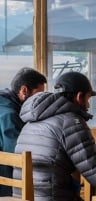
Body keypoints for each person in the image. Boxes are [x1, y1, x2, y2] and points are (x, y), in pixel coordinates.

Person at [13, 71, 96, 201]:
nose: (88, 106)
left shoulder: (31, 122)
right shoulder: (72, 122)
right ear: (79, 96)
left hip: (22, 198)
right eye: (88, 99)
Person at [0, 67, 47, 196]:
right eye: (38, 95)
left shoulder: (4, 102)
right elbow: (17, 154)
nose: (40, 101)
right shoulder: (9, 115)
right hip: (5, 185)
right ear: (24, 91)